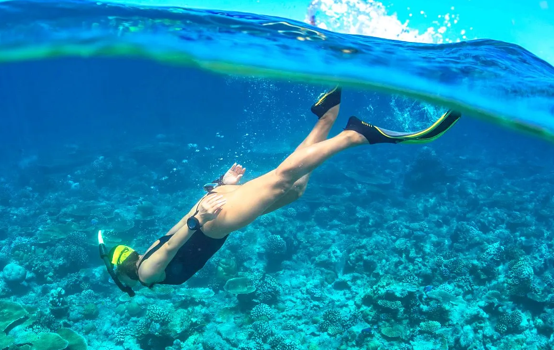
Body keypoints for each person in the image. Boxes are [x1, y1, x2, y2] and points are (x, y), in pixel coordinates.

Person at [98, 88, 460, 296]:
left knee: (283, 178)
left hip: (214, 223)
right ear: (120, 266)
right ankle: (326, 117)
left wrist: (204, 212)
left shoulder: (146, 270)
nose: (123, 248)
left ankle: (356, 134)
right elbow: (173, 237)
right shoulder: (145, 268)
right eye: (118, 251)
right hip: (211, 217)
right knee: (294, 190)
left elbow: (177, 238)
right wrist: (216, 195)